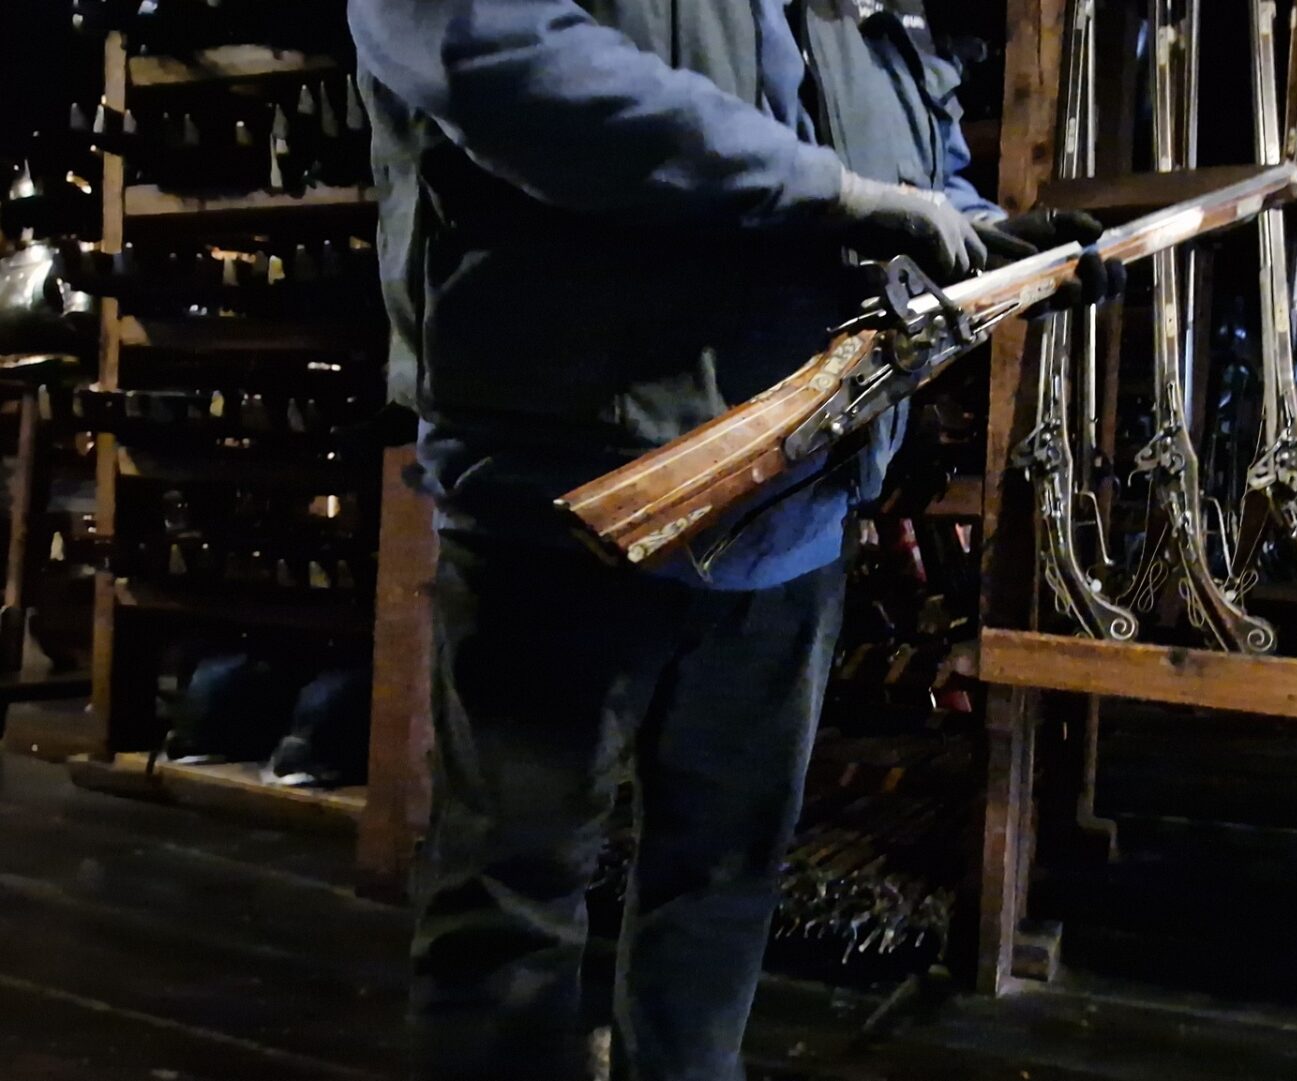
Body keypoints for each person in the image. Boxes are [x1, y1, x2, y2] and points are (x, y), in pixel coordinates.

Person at [346, 1, 1118, 1078]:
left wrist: (985, 243)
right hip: (568, 486)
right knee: (514, 887)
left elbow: (916, 154)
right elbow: (502, 57)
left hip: (795, 489)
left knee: (724, 871)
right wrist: (837, 196)